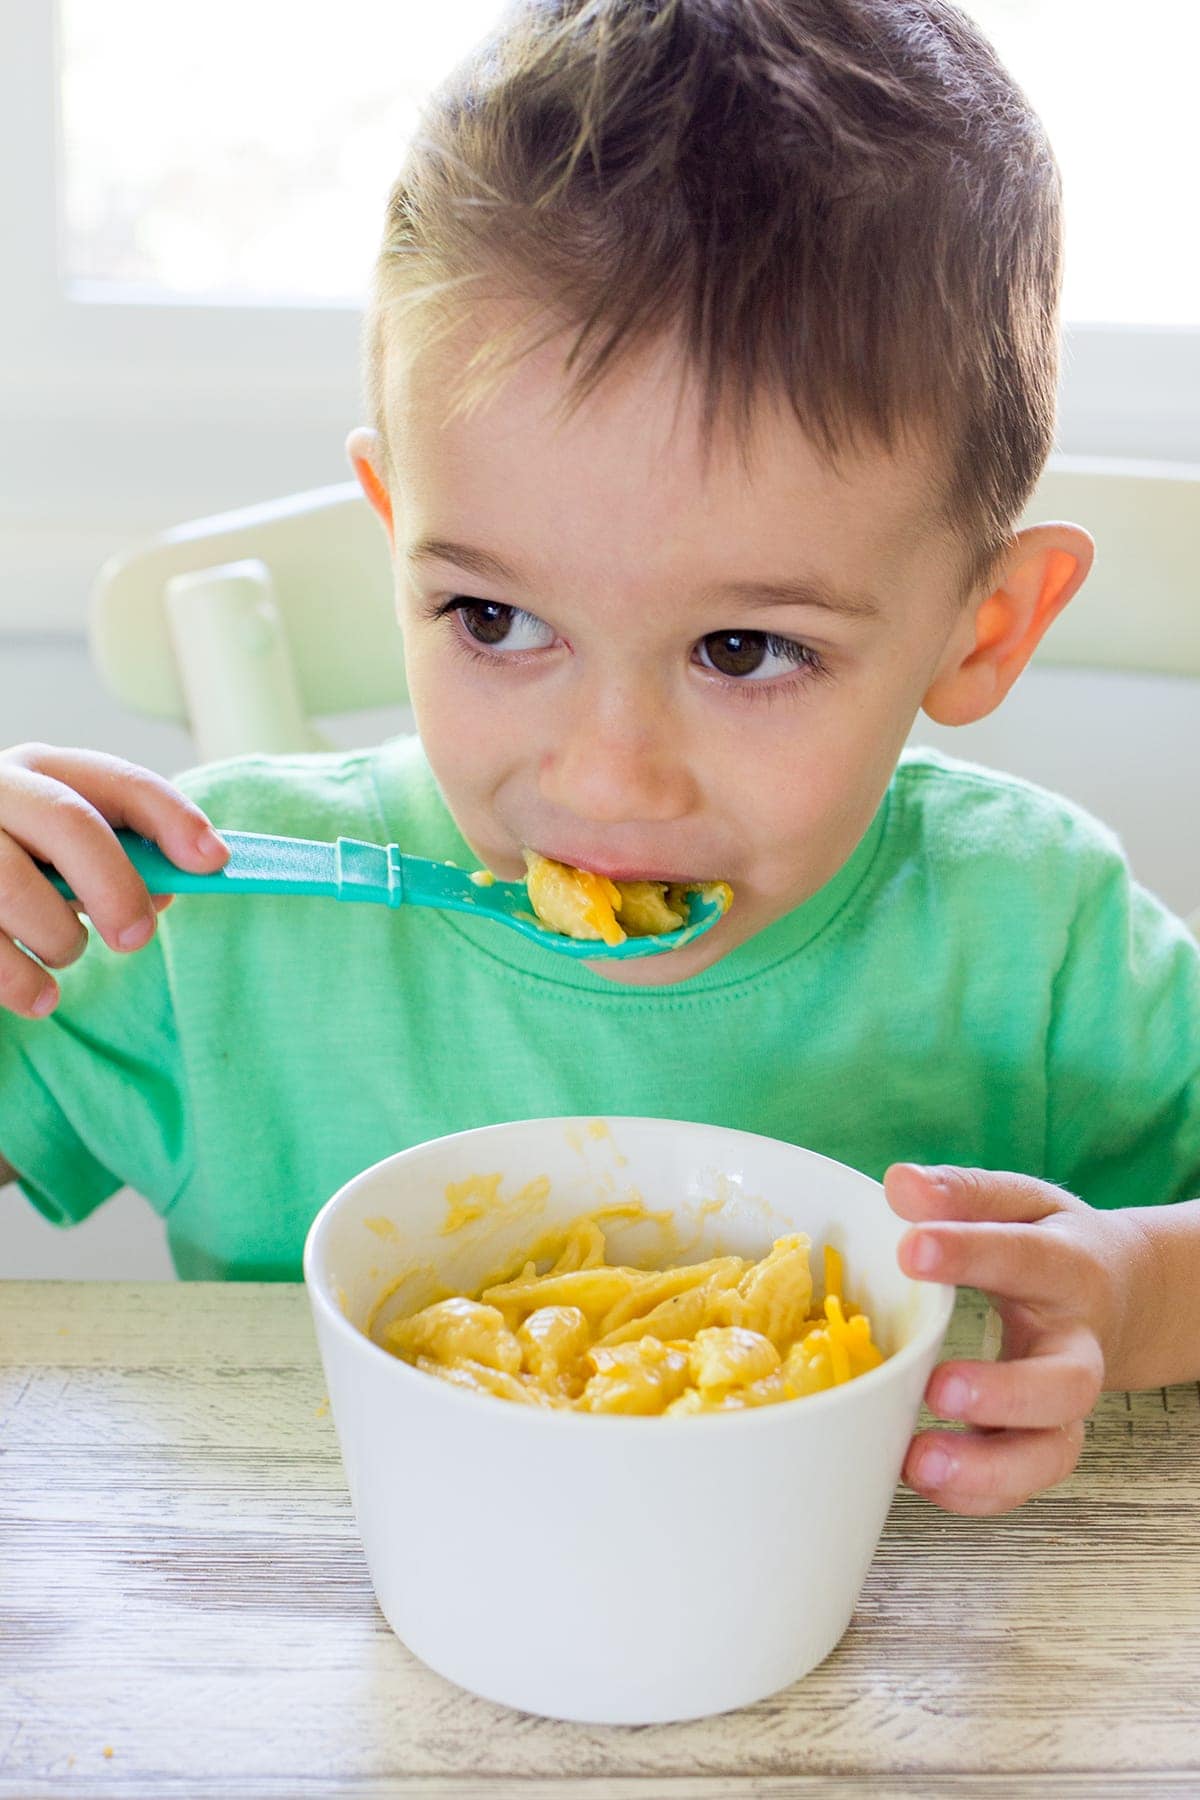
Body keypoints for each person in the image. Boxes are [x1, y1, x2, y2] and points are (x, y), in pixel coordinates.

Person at [1, 0, 1197, 1516]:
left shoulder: (1037, 940)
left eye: (745, 651)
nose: (610, 780)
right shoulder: (204, 929)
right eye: (493, 617)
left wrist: (1137, 1290)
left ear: (983, 629)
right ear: (398, 547)